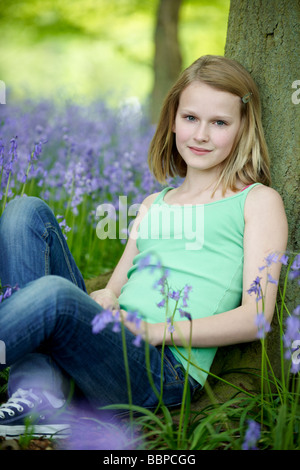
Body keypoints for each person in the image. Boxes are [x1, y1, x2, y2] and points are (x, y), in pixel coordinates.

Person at [0, 55, 288, 440]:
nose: (201, 134)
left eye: (219, 122)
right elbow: (114, 288)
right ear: (172, 120)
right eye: (190, 118)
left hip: (160, 368)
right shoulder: (154, 204)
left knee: (56, 295)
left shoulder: (257, 201)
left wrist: (157, 331)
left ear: (242, 129)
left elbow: (256, 317)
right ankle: (36, 392)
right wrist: (105, 298)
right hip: (108, 345)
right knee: (25, 210)